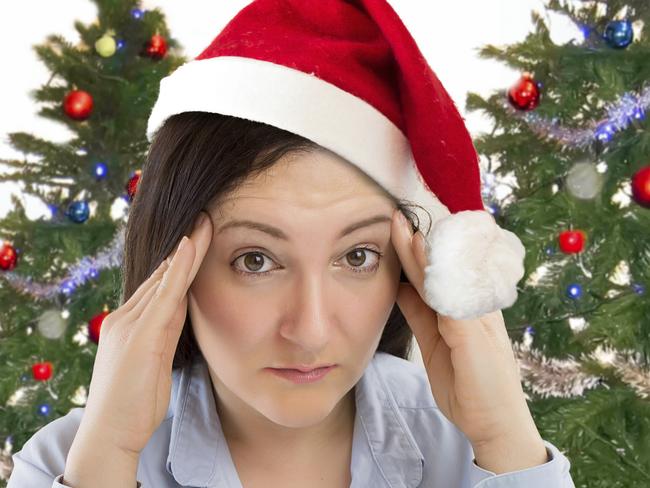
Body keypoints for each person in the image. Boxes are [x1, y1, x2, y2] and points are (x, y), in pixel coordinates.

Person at [8, 1, 577, 487]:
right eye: (256, 261)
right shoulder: (71, 463)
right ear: (175, 264)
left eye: (357, 257)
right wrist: (110, 456)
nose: (310, 330)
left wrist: (505, 434)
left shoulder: (478, 458)